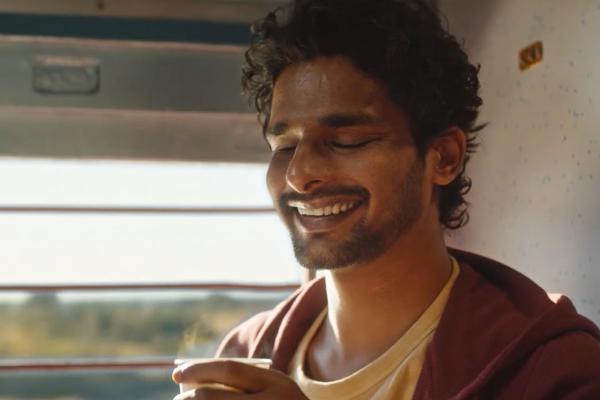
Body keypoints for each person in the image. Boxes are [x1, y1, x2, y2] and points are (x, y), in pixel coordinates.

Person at [171, 0, 600, 398]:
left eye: (347, 140)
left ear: (443, 157)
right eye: (284, 146)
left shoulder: (552, 368)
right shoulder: (245, 354)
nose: (300, 174)